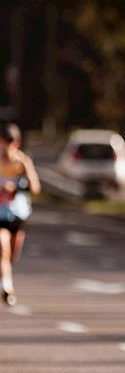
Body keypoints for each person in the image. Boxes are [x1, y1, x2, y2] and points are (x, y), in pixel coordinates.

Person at [0, 123, 41, 307]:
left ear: (16, 143)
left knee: (12, 253)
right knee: (3, 248)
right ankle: (7, 287)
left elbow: (35, 187)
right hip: (0, 213)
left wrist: (15, 187)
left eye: (9, 142)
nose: (6, 146)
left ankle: (5, 271)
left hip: (18, 213)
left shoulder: (22, 162)